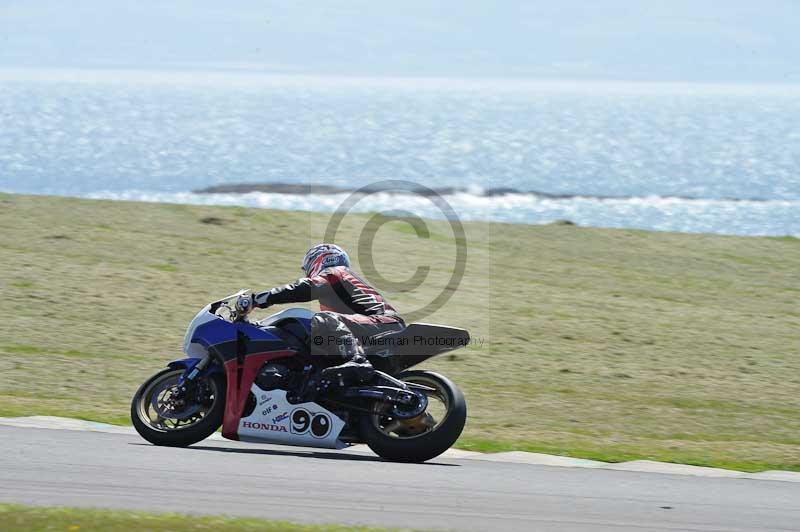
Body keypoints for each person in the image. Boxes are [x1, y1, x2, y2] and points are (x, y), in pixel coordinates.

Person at [235, 243, 404, 395]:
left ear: (318, 260)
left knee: (323, 319)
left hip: (384, 323)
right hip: (372, 328)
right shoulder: (338, 295)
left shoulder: (335, 273)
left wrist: (259, 299)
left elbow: (304, 288)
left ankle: (357, 361)